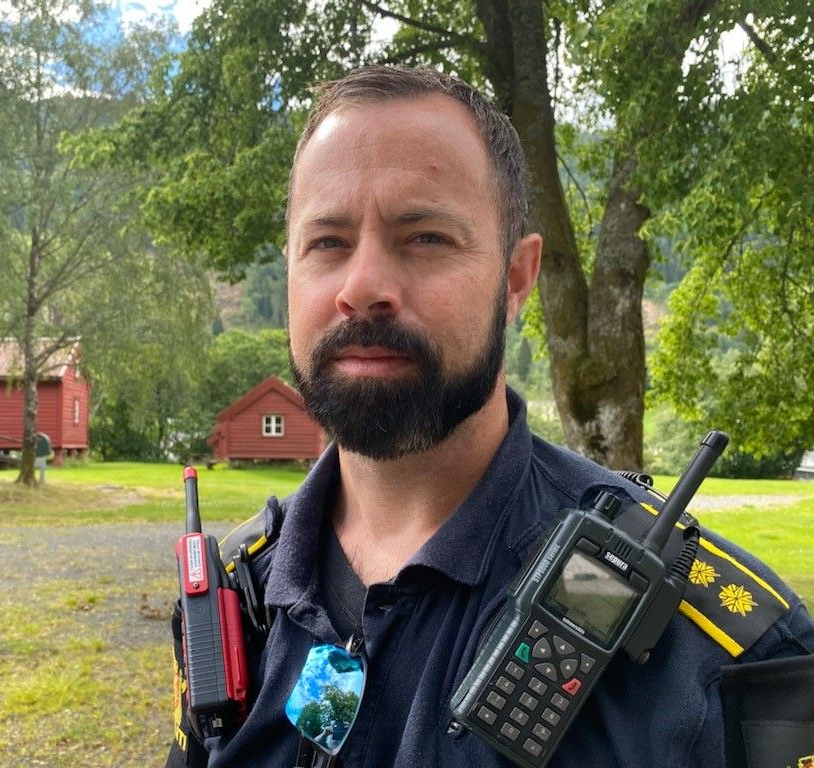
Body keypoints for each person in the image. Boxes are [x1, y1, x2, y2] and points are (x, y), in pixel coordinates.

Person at [167, 65, 814, 767]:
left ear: (516, 280)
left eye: (426, 238)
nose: (363, 288)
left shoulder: (722, 654)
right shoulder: (235, 598)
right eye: (327, 242)